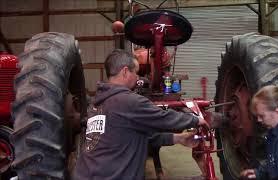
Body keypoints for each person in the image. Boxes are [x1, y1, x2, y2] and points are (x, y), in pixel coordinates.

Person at [73, 49, 211, 180]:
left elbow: (136, 136)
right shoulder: (128, 101)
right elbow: (164, 118)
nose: (138, 77)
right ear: (125, 72)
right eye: (136, 72)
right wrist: (195, 119)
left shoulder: (97, 103)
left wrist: (179, 138)